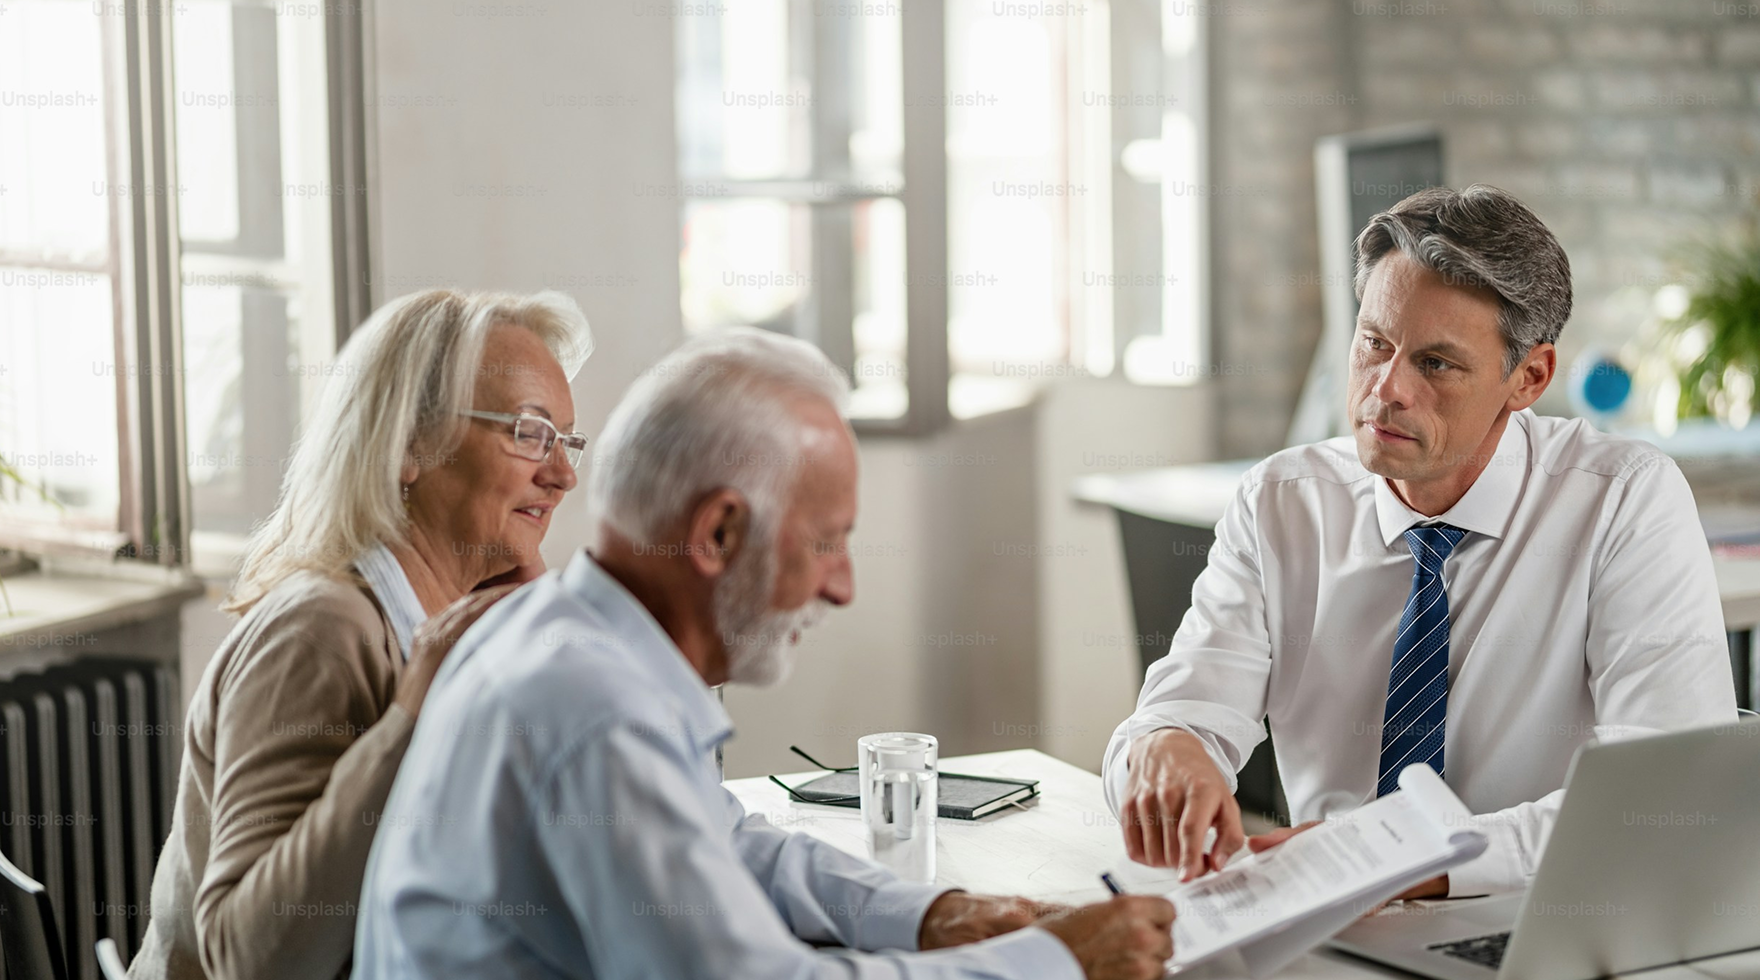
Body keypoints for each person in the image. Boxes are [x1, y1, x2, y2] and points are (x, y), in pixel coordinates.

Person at [352, 329, 1176, 980]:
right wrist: (1055, 964)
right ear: (717, 533)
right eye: (827, 543)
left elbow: (729, 842)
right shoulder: (594, 709)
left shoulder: (566, 635)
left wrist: (932, 915)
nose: (843, 587)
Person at [1104, 185, 1737, 898]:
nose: (1386, 390)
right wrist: (1167, 748)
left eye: (1435, 364)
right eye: (1374, 343)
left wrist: (1408, 861)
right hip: (1330, 917)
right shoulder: (1282, 502)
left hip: (1538, 918)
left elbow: (1669, 795)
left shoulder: (1622, 500)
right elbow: (1178, 713)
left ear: (1529, 378)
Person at [128, 289, 594, 980]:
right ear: (409, 443)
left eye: (566, 441)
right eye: (529, 433)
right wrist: (418, 718)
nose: (562, 475)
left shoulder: (451, 615)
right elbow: (250, 961)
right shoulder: (321, 629)